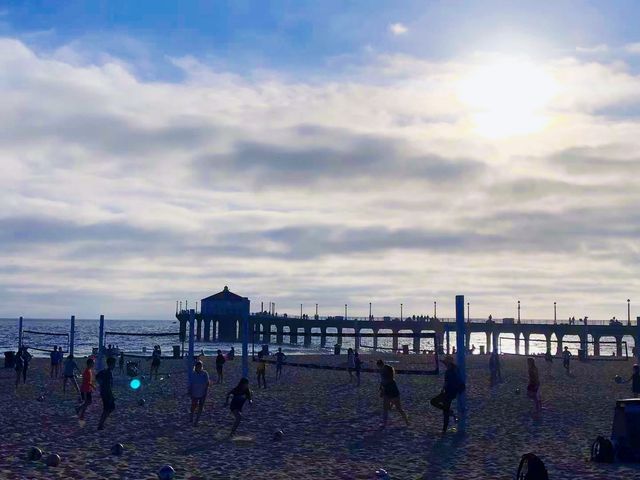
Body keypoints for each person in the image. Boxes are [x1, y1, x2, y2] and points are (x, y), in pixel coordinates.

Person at [431, 355, 463, 434]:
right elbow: (446, 382)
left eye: (446, 363)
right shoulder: (449, 370)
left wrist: (458, 388)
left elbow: (456, 380)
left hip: (451, 392)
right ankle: (450, 414)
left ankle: (444, 429)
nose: (445, 364)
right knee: (439, 405)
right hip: (448, 391)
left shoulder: (453, 370)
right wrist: (443, 389)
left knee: (439, 406)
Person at [379, 364, 409, 429]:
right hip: (394, 395)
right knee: (398, 409)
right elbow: (383, 386)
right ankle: (406, 421)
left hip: (391, 395)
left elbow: (384, 387)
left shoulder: (387, 379)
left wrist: (382, 393)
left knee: (388, 409)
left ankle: (384, 424)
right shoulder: (390, 379)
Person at [96, 356, 116, 431]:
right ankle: (100, 425)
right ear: (111, 364)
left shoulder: (104, 371)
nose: (114, 366)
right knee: (108, 409)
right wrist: (111, 396)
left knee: (109, 408)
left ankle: (101, 424)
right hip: (106, 393)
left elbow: (97, 376)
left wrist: (100, 384)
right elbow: (108, 386)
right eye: (114, 364)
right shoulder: (108, 373)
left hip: (104, 392)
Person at [188, 361, 210, 426]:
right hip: (194, 393)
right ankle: (191, 416)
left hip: (203, 393)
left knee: (200, 407)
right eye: (198, 366)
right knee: (193, 406)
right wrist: (190, 391)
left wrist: (206, 390)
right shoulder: (193, 374)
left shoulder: (205, 373)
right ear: (196, 367)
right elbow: (190, 383)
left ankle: (196, 421)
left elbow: (207, 383)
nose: (199, 367)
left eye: (200, 366)